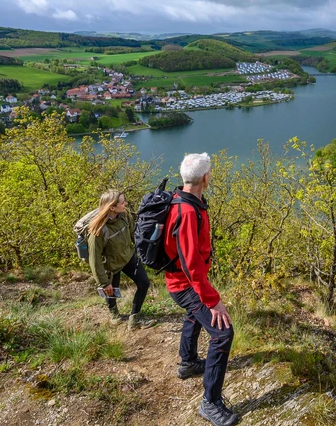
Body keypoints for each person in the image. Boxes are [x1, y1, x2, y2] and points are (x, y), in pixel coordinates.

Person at [164, 153, 238, 426]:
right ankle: (210, 403)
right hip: (185, 285)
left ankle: (188, 362)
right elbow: (190, 261)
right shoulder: (185, 211)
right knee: (222, 333)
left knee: (195, 315)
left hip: (184, 282)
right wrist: (212, 300)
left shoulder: (185, 200)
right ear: (206, 178)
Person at [87, 189, 152, 330]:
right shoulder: (98, 231)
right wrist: (104, 283)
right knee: (111, 291)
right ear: (112, 207)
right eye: (122, 202)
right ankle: (114, 314)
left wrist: (146, 250)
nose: (126, 204)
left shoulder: (124, 215)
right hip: (110, 265)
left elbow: (133, 233)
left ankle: (134, 319)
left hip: (128, 257)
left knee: (144, 283)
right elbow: (94, 259)